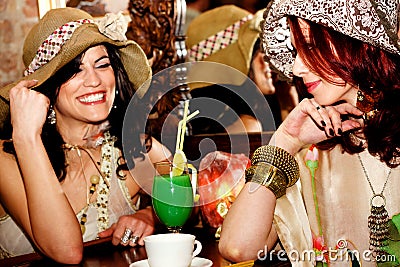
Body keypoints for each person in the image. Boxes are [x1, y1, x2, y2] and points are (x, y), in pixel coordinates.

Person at [219, 0, 400, 266]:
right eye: (295, 50)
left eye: (311, 47)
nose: (296, 68)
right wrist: (285, 142)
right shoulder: (310, 152)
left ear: (358, 42)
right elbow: (237, 248)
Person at [0, 8, 171, 264]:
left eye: (102, 65)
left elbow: (189, 197)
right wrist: (27, 136)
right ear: (46, 86)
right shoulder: (7, 157)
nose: (94, 81)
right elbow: (66, 251)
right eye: (74, 70)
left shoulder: (135, 149)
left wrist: (150, 216)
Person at [185, 5, 298, 134]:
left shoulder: (238, 117)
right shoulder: (246, 126)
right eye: (259, 48)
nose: (272, 58)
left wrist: (287, 105)